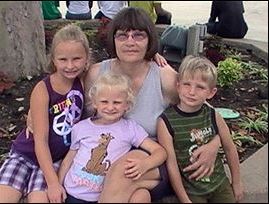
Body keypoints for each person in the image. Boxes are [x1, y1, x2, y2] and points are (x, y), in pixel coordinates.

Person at [84, 7, 221, 202]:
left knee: (124, 171)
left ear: (150, 40)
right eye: (123, 36)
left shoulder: (164, 77)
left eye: (138, 35)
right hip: (108, 155)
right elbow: (71, 106)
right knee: (138, 197)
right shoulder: (97, 74)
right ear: (113, 40)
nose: (130, 42)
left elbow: (208, 113)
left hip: (153, 159)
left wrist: (214, 144)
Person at [0, 24, 89, 203]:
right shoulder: (43, 89)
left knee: (40, 199)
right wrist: (53, 184)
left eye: (76, 59)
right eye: (62, 59)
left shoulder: (84, 80)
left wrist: (152, 53)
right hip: (25, 154)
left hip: (55, 159)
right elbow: (40, 141)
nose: (70, 66)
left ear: (86, 58)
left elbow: (115, 66)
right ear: (53, 59)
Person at [58, 73, 167, 203]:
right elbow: (68, 160)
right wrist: (58, 185)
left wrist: (145, 164)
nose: (110, 107)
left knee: (141, 195)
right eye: (104, 102)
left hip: (102, 196)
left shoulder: (130, 128)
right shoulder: (81, 127)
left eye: (117, 102)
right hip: (72, 193)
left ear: (127, 105)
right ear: (94, 103)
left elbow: (160, 152)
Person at [157, 55, 244, 203]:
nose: (192, 92)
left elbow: (229, 148)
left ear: (211, 92)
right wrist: (184, 199)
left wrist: (236, 182)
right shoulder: (165, 122)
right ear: (178, 86)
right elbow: (171, 164)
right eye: (187, 84)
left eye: (200, 87)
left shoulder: (213, 115)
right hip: (191, 190)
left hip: (219, 184)